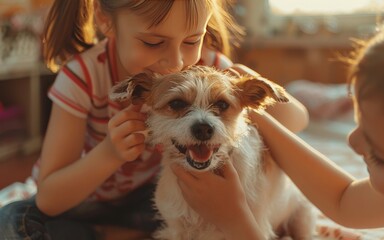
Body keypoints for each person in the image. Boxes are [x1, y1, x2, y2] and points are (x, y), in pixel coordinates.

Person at [0, 0, 308, 239]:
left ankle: (119, 234)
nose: (176, 62)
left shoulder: (211, 68)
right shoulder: (82, 77)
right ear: (106, 21)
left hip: (146, 203)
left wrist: (245, 84)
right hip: (80, 204)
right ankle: (110, 234)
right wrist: (110, 154)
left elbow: (297, 119)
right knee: (13, 222)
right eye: (152, 42)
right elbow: (49, 199)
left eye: (191, 40)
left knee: (195, 215)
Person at [172, 7, 384, 240]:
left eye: (381, 155)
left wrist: (235, 220)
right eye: (358, 119)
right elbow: (343, 198)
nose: (352, 140)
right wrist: (244, 104)